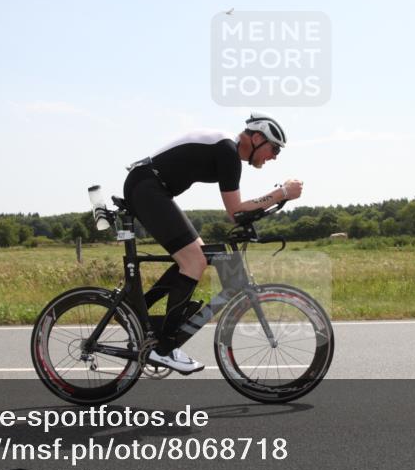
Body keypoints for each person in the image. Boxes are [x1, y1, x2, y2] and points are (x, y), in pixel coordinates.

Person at [123, 112, 303, 374]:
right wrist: (281, 193)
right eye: (274, 148)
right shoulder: (228, 151)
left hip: (151, 188)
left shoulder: (228, 150)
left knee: (201, 255)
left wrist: (277, 198)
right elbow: (236, 212)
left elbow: (237, 214)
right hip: (147, 188)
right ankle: (165, 348)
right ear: (256, 138)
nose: (274, 156)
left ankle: (135, 311)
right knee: (193, 261)